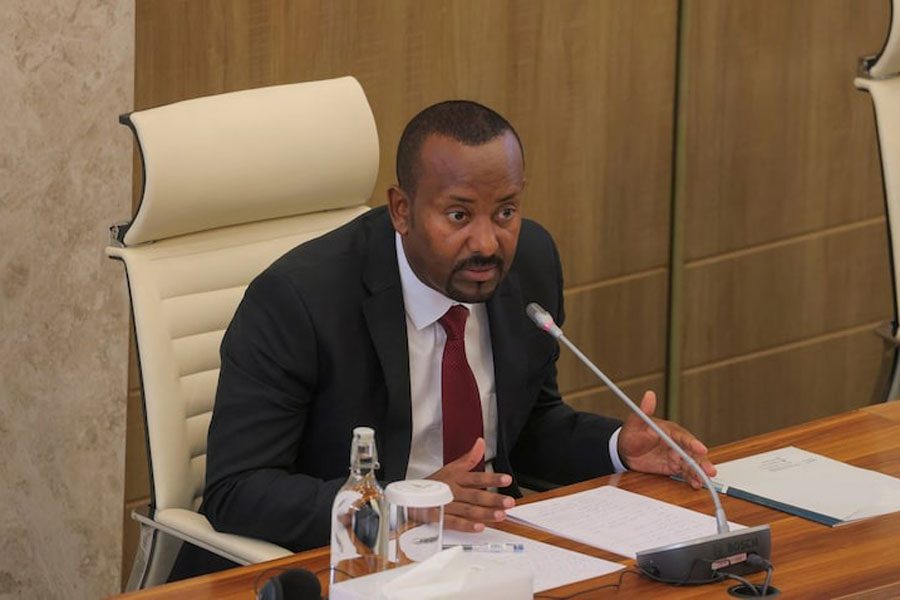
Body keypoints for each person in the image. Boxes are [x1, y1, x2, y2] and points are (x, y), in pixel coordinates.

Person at [199, 100, 716, 556]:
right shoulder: (298, 300)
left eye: (506, 211)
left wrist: (616, 447)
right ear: (402, 210)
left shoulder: (531, 261)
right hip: (356, 560)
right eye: (459, 215)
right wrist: (407, 505)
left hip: (487, 549)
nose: (489, 243)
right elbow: (238, 490)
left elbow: (525, 431)